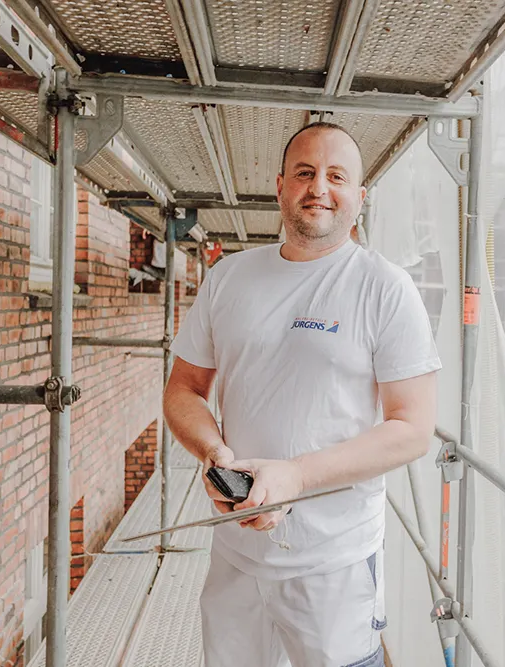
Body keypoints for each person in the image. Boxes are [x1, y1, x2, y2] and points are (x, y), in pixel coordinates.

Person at [163, 121, 441, 667]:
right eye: (306, 173)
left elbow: (412, 428)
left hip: (333, 563)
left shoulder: (384, 288)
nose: (319, 187)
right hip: (237, 551)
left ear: (360, 197)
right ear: (280, 185)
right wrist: (214, 453)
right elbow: (183, 390)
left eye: (337, 176)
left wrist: (295, 477)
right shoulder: (229, 277)